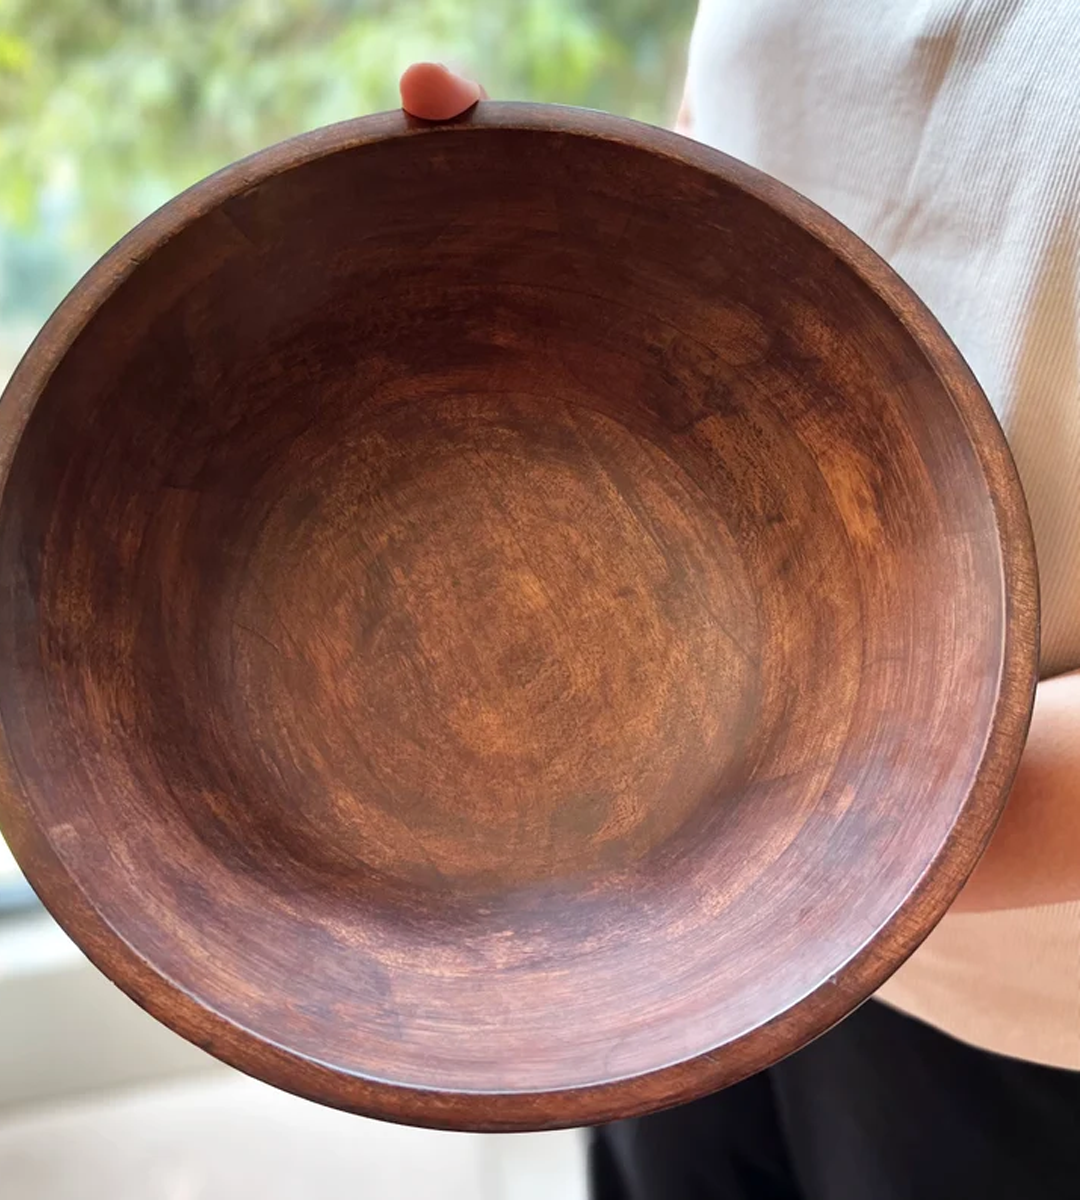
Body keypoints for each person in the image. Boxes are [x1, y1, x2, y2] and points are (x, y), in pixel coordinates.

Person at [398, 0, 1080, 1193]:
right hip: (699, 911)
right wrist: (545, 242)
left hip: (1019, 993)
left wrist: (818, 822)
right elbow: (747, 152)